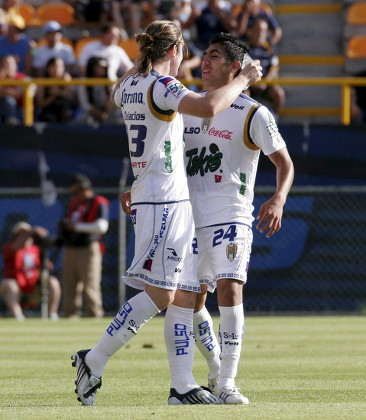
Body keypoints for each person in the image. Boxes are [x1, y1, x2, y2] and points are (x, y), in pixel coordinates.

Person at [71, 19, 262, 407]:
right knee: (162, 295)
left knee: (176, 294)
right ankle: (94, 359)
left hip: (150, 193)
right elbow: (209, 105)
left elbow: (133, 94)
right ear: (174, 51)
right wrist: (243, 80)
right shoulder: (163, 86)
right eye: (184, 54)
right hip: (165, 200)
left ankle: (183, 382)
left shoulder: (125, 85)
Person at [121, 31, 294, 405]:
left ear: (235, 67)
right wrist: (137, 186)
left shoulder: (253, 112)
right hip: (187, 216)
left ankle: (227, 382)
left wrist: (278, 198)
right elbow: (164, 156)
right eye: (204, 54)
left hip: (230, 216)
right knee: (188, 301)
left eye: (215, 56)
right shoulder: (189, 105)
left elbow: (284, 162)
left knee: (230, 291)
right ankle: (192, 380)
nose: (205, 61)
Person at [57, 174, 109, 318]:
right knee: (69, 285)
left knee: (90, 284)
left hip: (88, 248)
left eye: (76, 192)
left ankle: (94, 315)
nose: (74, 196)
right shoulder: (74, 203)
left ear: (85, 189)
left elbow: (102, 226)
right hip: (70, 248)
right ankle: (70, 315)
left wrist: (76, 227)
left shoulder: (98, 202)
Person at [0, 221, 61, 321]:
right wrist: (31, 231)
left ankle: (52, 315)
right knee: (8, 284)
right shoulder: (9, 247)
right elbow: (16, 247)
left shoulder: (36, 249)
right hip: (17, 291)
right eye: (21, 234)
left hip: (34, 289)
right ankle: (19, 317)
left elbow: (48, 266)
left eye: (27, 234)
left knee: (53, 282)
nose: (26, 237)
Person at [246, 17, 285, 117]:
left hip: (266, 84)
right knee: (244, 95)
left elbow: (274, 67)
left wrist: (265, 82)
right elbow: (242, 68)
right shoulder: (245, 47)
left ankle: (274, 120)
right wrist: (253, 83)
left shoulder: (270, 47)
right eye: (257, 30)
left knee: (279, 94)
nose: (260, 33)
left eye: (263, 30)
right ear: (252, 30)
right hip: (249, 84)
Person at [76, 56, 121, 125]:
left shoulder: (109, 80)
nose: (102, 69)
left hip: (107, 110)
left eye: (103, 67)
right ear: (91, 68)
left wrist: (110, 101)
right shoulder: (84, 82)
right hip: (92, 112)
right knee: (84, 118)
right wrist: (100, 114)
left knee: (118, 113)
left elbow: (114, 96)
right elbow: (85, 105)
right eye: (98, 67)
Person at [35, 57, 77, 123]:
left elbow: (71, 97)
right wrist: (52, 96)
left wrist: (59, 92)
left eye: (60, 66)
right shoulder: (43, 81)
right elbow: (40, 104)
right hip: (47, 112)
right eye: (54, 66)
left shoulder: (65, 78)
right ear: (48, 68)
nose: (56, 69)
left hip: (63, 112)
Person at [0, 54, 26, 125]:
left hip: (21, 109)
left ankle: (13, 124)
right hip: (3, 110)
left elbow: (16, 94)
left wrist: (3, 92)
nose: (7, 66)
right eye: (4, 64)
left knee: (9, 100)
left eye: (10, 64)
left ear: (15, 66)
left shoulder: (22, 78)